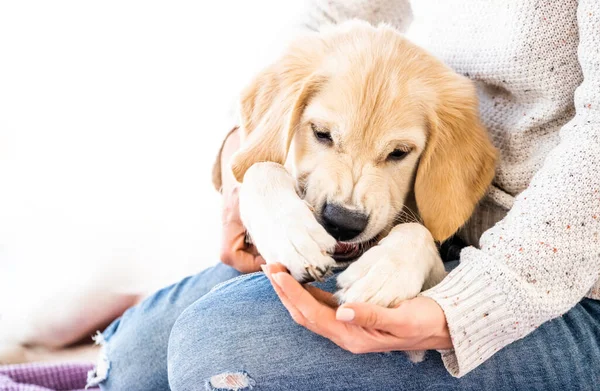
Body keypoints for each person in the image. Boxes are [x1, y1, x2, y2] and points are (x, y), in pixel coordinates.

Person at [87, 1, 600, 390]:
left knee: (220, 346)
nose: (347, 204)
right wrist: (247, 168)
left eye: (399, 152)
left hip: (568, 287)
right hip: (446, 238)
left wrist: (463, 309)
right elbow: (329, 17)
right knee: (130, 360)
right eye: (324, 134)